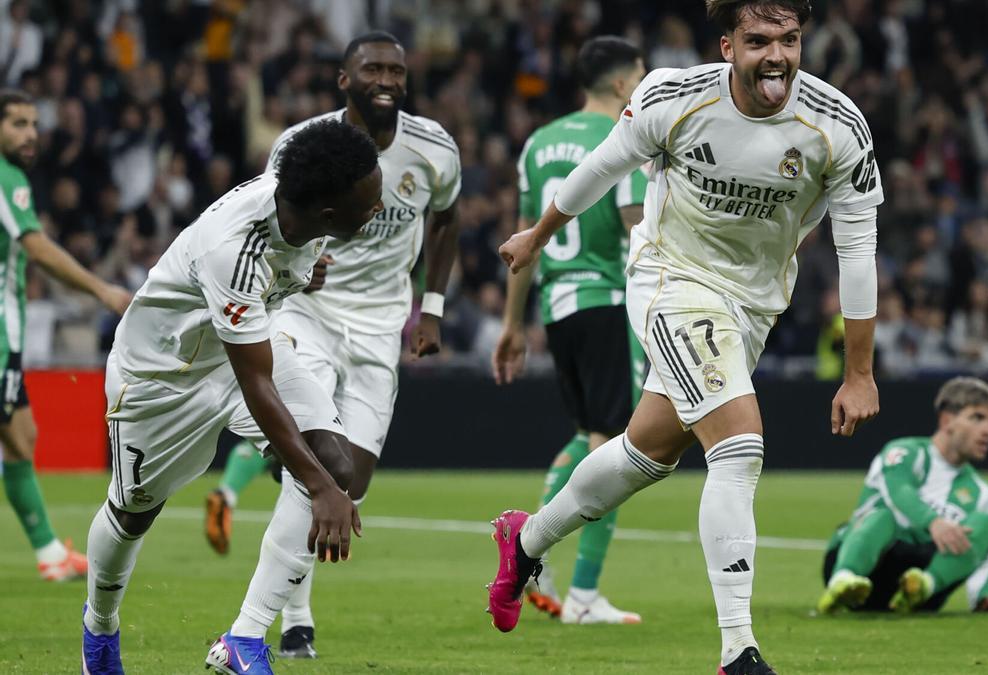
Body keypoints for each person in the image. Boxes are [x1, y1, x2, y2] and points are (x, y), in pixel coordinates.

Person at [488, 1, 883, 672]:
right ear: (727, 45)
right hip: (671, 277)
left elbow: (858, 248)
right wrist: (540, 232)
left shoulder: (837, 125)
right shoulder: (673, 97)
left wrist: (860, 371)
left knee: (646, 453)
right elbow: (603, 167)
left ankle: (526, 539)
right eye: (759, 41)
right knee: (739, 446)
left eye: (789, 39)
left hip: (753, 304)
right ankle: (739, 647)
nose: (778, 56)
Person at [80, 118, 383, 675]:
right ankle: (99, 625)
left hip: (248, 348)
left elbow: (260, 346)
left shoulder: (303, 202)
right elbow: (257, 385)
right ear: (327, 213)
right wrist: (316, 488)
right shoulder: (233, 246)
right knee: (131, 514)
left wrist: (301, 272)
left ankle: (244, 638)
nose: (377, 208)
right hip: (161, 378)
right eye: (367, 204)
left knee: (339, 466)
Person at [211, 31, 461, 660]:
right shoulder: (302, 144)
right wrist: (295, 269)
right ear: (344, 79)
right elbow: (270, 222)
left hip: (381, 325)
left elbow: (448, 219)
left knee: (350, 485)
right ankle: (255, 631)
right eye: (372, 68)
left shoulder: (434, 147)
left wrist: (430, 307)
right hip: (308, 313)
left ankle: (288, 613)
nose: (387, 79)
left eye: (396, 71)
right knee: (322, 464)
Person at [492, 35, 648, 626]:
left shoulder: (537, 143)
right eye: (640, 74)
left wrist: (512, 323)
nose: (644, 83)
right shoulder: (627, 130)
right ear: (619, 83)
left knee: (590, 435)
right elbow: (636, 224)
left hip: (557, 306)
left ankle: (530, 547)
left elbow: (524, 234)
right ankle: (581, 595)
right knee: (620, 450)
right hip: (610, 298)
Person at [0, 88, 130, 581]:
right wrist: (102, 290)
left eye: (33, 123)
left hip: (7, 335)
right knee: (15, 436)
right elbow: (37, 248)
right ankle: (50, 555)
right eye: (16, 123)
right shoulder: (6, 178)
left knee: (22, 436)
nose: (29, 134)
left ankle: (50, 554)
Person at [818, 377, 988, 614]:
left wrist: (984, 599)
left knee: (986, 524)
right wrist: (934, 522)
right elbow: (898, 493)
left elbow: (985, 555)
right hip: (868, 561)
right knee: (882, 516)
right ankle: (842, 580)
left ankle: (922, 587)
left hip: (919, 577)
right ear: (947, 420)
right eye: (977, 417)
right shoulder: (905, 453)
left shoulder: (983, 495)